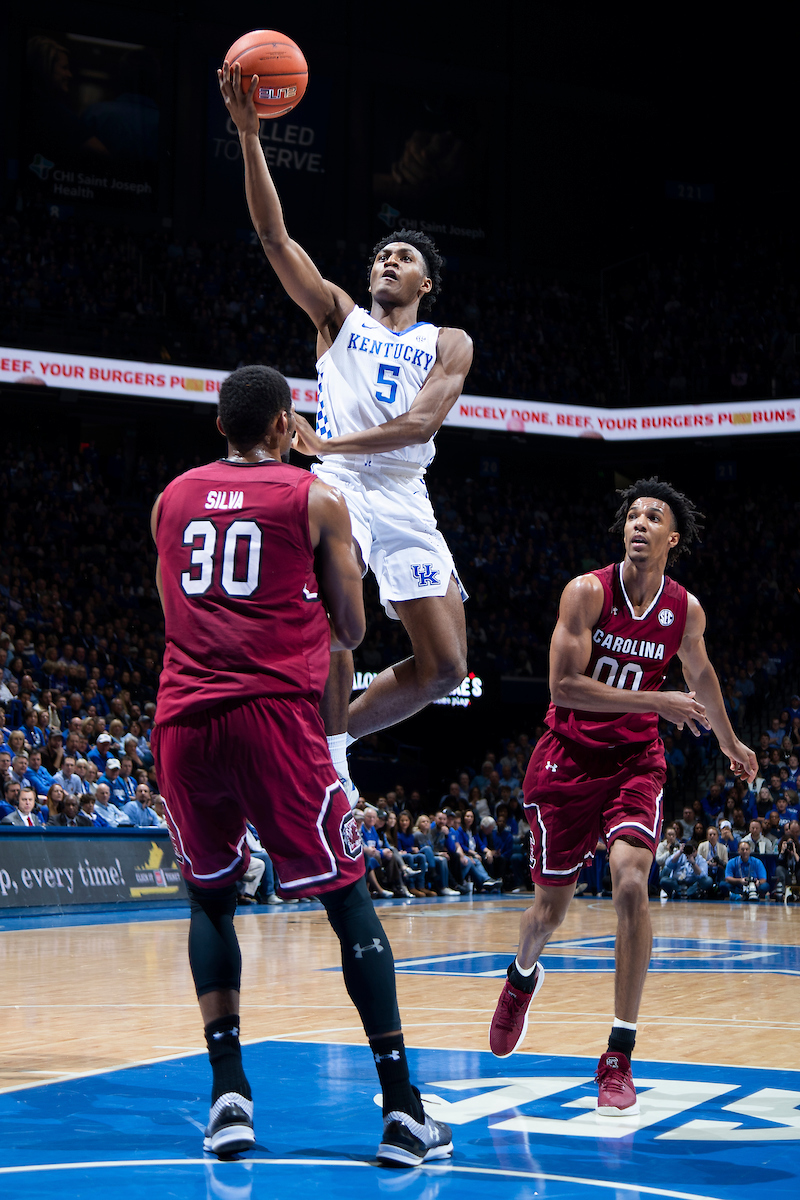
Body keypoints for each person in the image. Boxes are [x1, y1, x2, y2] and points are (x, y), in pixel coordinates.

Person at [150, 364, 451, 1166]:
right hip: (273, 721)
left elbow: (173, 607)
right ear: (287, 426)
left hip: (183, 720)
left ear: (221, 426)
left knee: (210, 903)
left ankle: (228, 1098)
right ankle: (401, 1110)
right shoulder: (315, 498)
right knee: (349, 900)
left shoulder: (171, 498)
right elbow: (351, 629)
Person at [218, 63, 473, 805]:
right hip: (338, 488)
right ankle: (330, 770)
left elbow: (423, 422)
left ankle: (330, 741)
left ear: (427, 283)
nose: (387, 260)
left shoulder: (448, 341)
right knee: (339, 613)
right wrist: (248, 138)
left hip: (400, 487)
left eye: (405, 258)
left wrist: (328, 442)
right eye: (381, 256)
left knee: (448, 667)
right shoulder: (339, 317)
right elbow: (272, 235)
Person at [489, 478, 757, 1116]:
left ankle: (618, 1053)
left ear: (674, 538)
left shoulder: (684, 611)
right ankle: (522, 975)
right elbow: (564, 688)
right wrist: (657, 701)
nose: (639, 524)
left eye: (653, 516)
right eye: (632, 515)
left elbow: (701, 676)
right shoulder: (587, 593)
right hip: (567, 761)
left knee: (632, 885)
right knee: (547, 915)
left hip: (636, 762)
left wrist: (731, 742)